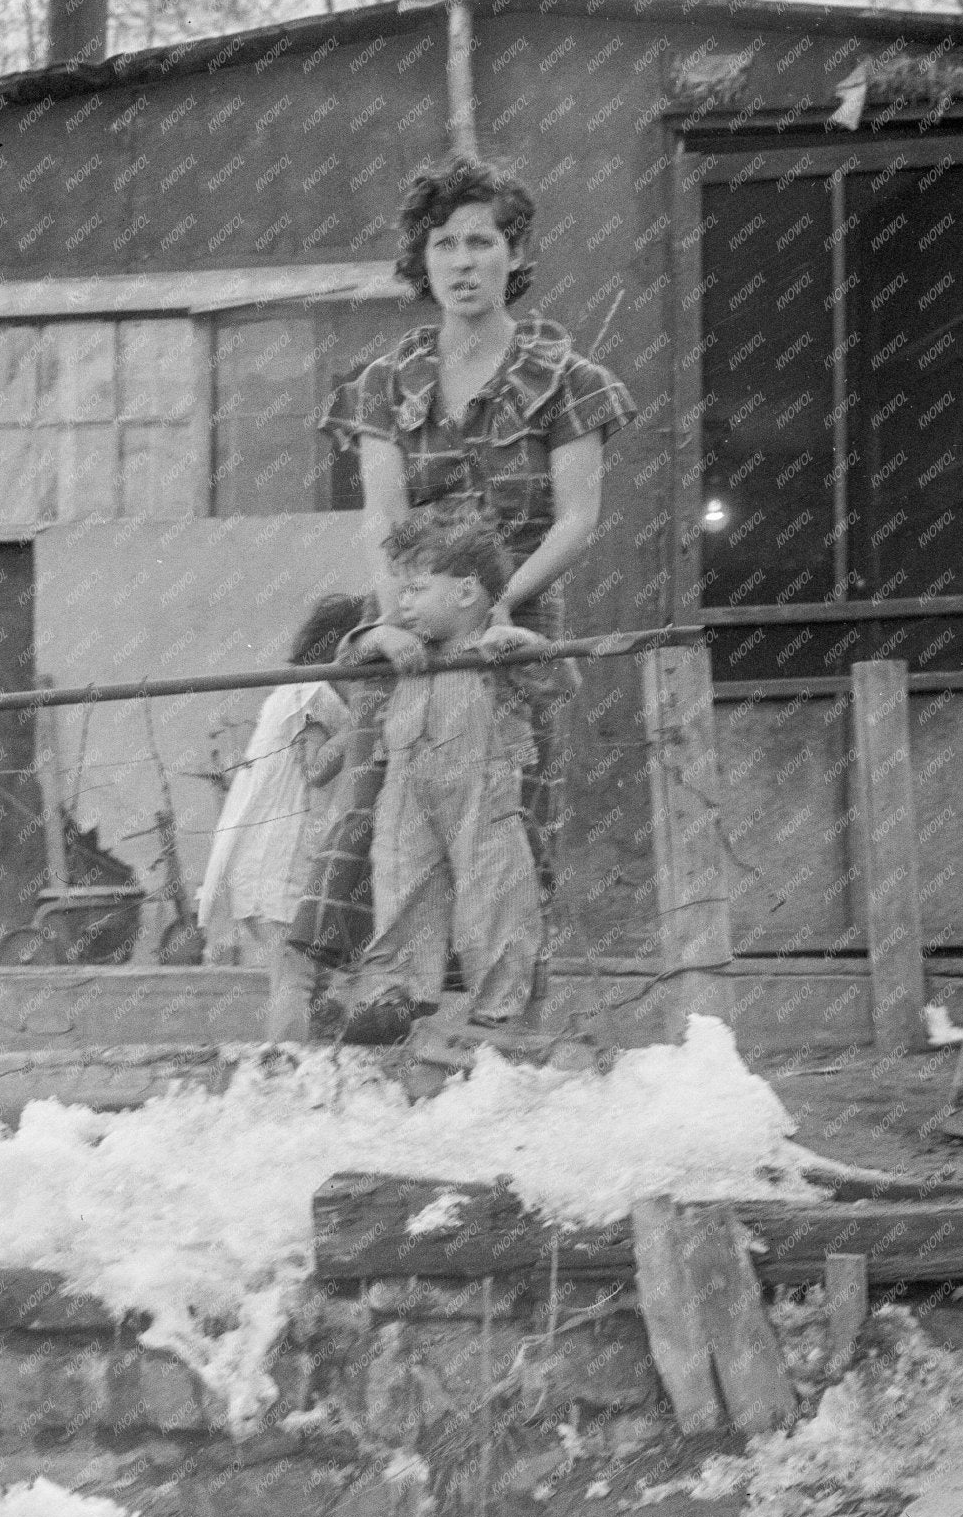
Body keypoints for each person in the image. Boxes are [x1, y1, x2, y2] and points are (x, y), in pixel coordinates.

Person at [318, 155, 636, 882]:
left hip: (515, 622)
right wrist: (397, 616)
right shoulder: (382, 384)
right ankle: (370, 987)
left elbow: (577, 520)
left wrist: (497, 605)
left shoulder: (570, 381)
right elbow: (381, 519)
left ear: (516, 253)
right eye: (444, 245)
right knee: (377, 810)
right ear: (421, 260)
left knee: (509, 824)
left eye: (481, 242)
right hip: (410, 618)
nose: (462, 263)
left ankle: (507, 993)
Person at [337, 501, 579, 1047]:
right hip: (405, 790)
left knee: (496, 895)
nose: (404, 602)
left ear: (467, 592)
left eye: (417, 589)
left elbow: (562, 683)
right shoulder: (405, 646)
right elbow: (346, 654)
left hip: (483, 794)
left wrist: (526, 647)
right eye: (401, 590)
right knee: (401, 887)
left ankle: (499, 1012)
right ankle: (390, 997)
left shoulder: (496, 649)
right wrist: (378, 635)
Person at [196, 594, 366, 1041]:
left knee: (307, 977)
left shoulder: (295, 692)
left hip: (270, 864)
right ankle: (287, 1074)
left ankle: (303, 1065)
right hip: (275, 866)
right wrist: (360, 727)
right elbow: (315, 768)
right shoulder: (312, 693)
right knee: (296, 977)